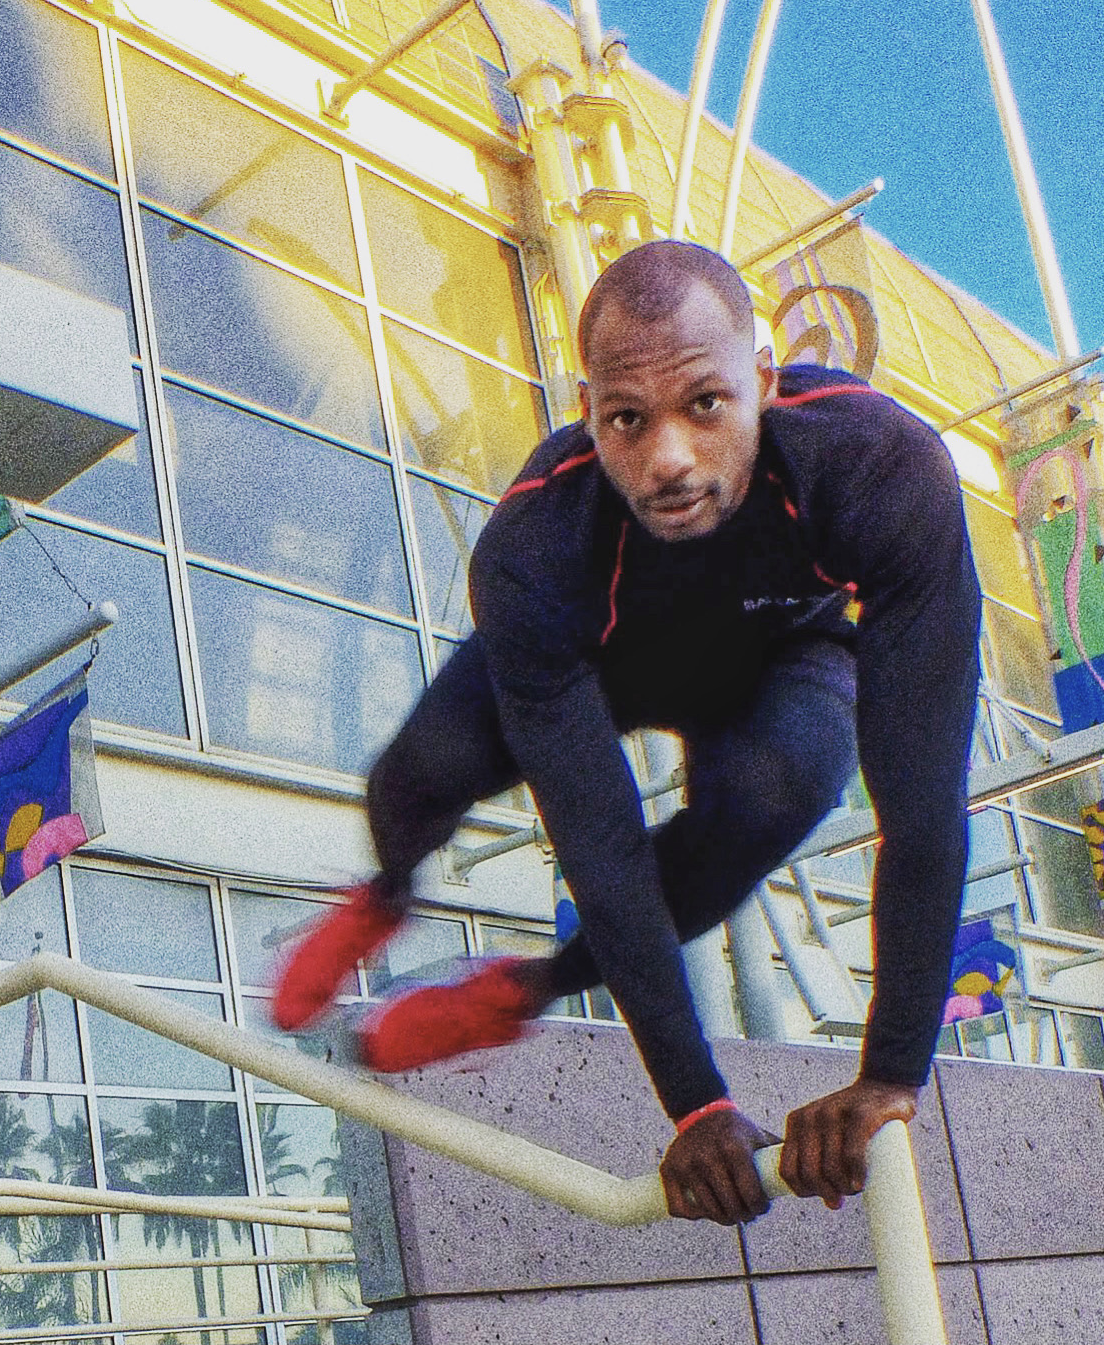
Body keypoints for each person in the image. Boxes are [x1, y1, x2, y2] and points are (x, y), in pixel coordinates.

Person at [272, 240, 981, 1226]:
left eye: (705, 405)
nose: (669, 461)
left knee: (770, 798)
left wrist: (889, 1074)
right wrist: (697, 1103)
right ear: (587, 415)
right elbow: (599, 848)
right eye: (626, 421)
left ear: (765, 384)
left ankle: (522, 989)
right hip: (598, 658)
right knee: (413, 775)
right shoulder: (534, 547)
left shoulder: (877, 468)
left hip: (780, 657)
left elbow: (922, 810)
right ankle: (384, 895)